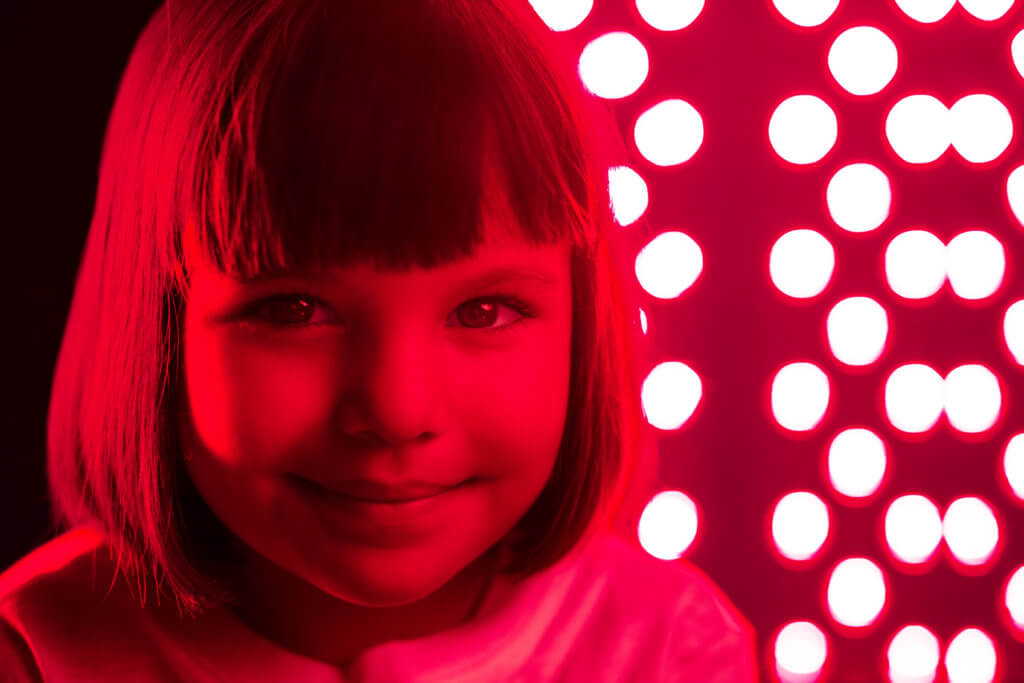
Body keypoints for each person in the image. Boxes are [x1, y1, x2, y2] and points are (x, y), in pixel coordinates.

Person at [0, 0, 757, 680]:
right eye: (294, 308)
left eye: (483, 310)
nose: (397, 409)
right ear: (158, 328)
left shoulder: (668, 651)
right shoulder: (38, 651)